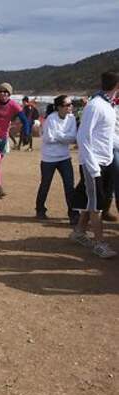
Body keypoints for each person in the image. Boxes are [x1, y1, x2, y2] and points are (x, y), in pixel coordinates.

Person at [70, 71, 119, 259]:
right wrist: (92, 166)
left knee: (93, 200)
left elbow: (107, 137)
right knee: (96, 205)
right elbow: (83, 136)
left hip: (104, 161)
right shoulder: (95, 106)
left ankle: (79, 233)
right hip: (94, 164)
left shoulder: (108, 105)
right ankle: (99, 243)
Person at [34, 95, 78, 224]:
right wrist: (65, 137)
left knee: (69, 186)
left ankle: (73, 214)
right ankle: (40, 209)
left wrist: (59, 136)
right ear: (59, 107)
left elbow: (73, 137)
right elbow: (48, 138)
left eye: (71, 104)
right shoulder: (51, 119)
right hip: (49, 158)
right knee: (45, 184)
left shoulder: (72, 118)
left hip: (65, 157)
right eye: (68, 105)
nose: (71, 107)